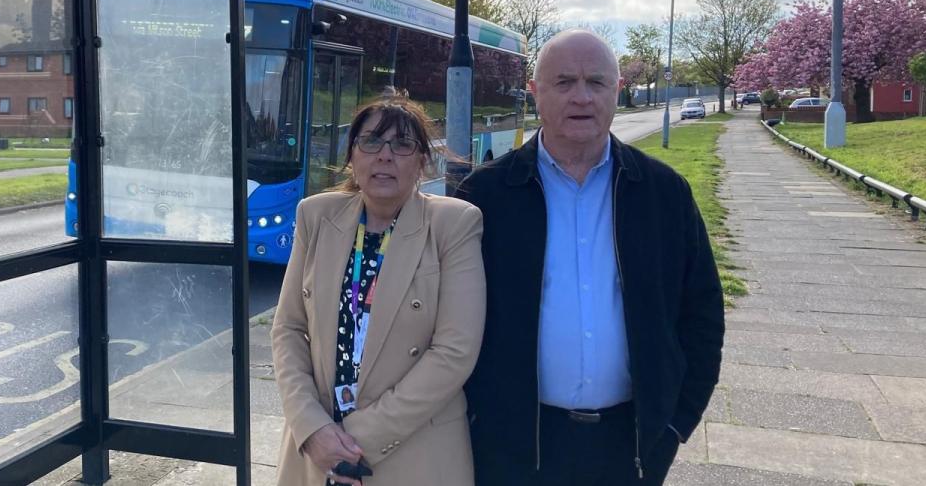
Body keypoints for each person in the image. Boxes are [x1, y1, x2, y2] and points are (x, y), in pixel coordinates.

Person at [457, 29, 725, 485]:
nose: (581, 97)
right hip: (513, 449)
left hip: (631, 448)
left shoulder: (663, 193)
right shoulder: (485, 195)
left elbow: (702, 314)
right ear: (534, 93)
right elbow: (451, 319)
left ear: (617, 92)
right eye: (563, 82)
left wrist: (675, 424)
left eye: (596, 82)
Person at [272, 95, 486, 486]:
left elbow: (455, 351)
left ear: (422, 161)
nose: (384, 155)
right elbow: (287, 328)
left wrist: (354, 441)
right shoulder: (315, 216)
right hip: (317, 453)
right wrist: (311, 427)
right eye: (370, 141)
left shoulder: (453, 225)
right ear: (352, 155)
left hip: (414, 453)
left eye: (402, 144)